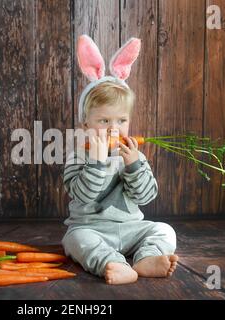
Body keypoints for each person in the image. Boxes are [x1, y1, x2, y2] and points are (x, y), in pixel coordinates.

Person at [61, 35, 178, 285]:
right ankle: (111, 262)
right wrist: (97, 161)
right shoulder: (78, 157)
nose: (114, 129)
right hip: (91, 229)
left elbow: (145, 197)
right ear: (86, 125)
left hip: (131, 229)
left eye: (121, 121)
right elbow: (83, 195)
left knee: (164, 230)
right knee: (74, 241)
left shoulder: (134, 156)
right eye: (104, 121)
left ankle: (146, 258)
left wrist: (135, 166)